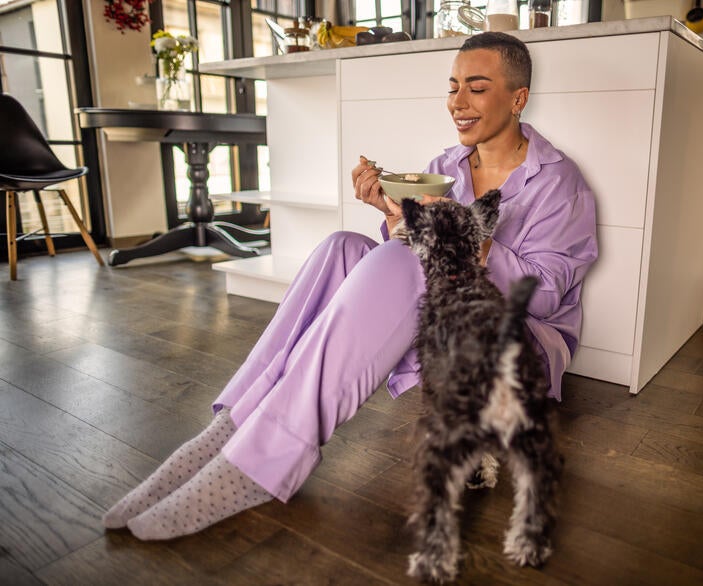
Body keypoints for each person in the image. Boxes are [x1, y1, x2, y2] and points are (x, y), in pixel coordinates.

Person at [103, 31, 598, 541]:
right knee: (342, 246)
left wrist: (461, 235)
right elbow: (405, 259)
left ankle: (261, 462)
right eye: (453, 88)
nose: (457, 103)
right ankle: (232, 425)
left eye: (476, 88)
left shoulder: (559, 182)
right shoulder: (444, 168)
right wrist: (394, 214)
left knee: (407, 262)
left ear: (518, 98)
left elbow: (544, 297)